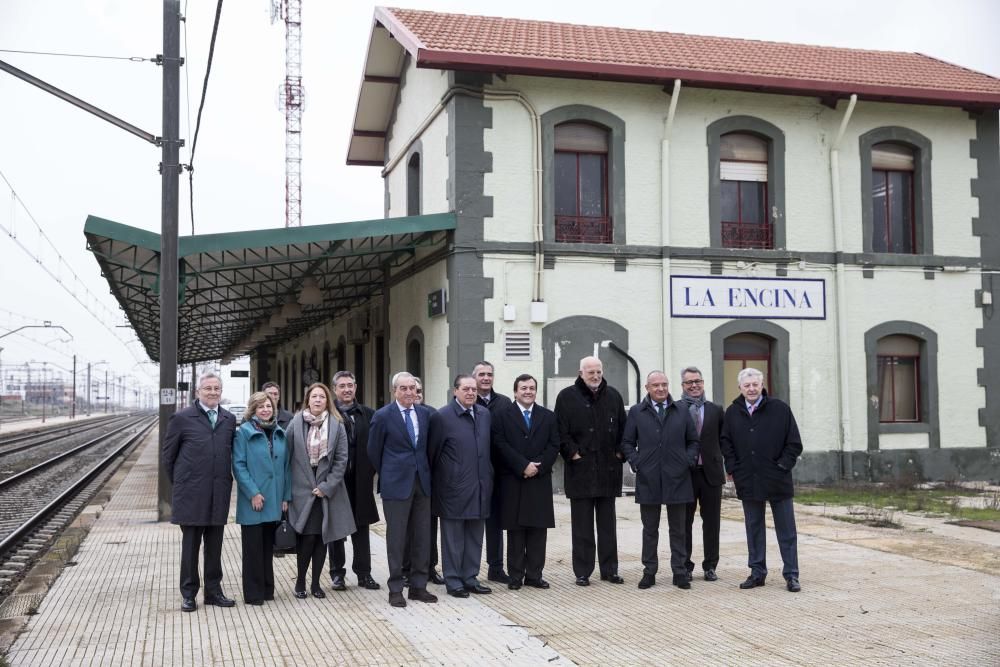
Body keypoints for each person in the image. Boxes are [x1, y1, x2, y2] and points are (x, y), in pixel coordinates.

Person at [720, 367, 804, 593]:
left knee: (786, 531)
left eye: (755, 384)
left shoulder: (780, 409)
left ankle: (791, 575)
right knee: (754, 527)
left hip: (778, 479)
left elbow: (794, 443)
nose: (751, 389)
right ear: (740, 388)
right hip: (748, 479)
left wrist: (783, 466)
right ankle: (757, 572)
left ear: (762, 385)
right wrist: (733, 469)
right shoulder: (732, 412)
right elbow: (726, 443)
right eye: (746, 385)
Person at [161, 371, 238, 612]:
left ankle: (214, 592)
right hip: (191, 495)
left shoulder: (228, 419)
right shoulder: (182, 418)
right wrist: (183, 484)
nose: (213, 392)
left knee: (215, 547)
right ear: (198, 392)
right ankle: (189, 594)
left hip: (218, 493)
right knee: (191, 547)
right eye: (208, 388)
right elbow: (168, 458)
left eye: (216, 388)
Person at [621, 371, 699, 590]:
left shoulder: (681, 409)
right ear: (647, 388)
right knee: (650, 529)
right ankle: (649, 572)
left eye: (664, 384)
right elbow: (627, 442)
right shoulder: (637, 412)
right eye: (656, 385)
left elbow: (693, 440)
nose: (661, 389)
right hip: (649, 478)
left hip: (678, 478)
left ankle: (680, 572)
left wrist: (687, 460)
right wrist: (638, 463)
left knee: (679, 529)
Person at [367, 372, 438, 608]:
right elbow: (374, 452)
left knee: (422, 536)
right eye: (404, 388)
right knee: (397, 539)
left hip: (422, 484)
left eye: (413, 388)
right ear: (394, 391)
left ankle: (418, 586)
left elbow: (429, 447)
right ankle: (396, 588)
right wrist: (391, 473)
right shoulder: (383, 416)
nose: (409, 393)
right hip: (396, 485)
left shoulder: (425, 414)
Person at [555, 356, 627, 586]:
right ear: (580, 373)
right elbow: (560, 432)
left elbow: (624, 431)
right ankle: (583, 571)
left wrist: (619, 454)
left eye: (598, 371)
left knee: (608, 526)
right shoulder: (566, 397)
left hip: (608, 470)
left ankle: (610, 569)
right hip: (581, 471)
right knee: (582, 527)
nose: (595, 376)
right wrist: (573, 453)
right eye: (590, 373)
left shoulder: (613, 395)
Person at [286, 383, 356, 599]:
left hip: (326, 493)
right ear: (308, 399)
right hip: (301, 493)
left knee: (321, 539)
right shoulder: (295, 423)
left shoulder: (337, 425)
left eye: (322, 397)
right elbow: (286, 458)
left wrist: (327, 487)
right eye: (314, 396)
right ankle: (300, 582)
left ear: (328, 401)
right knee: (306, 539)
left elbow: (342, 460)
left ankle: (316, 583)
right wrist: (285, 493)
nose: (318, 400)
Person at [491, 374, 560, 590]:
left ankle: (534, 575)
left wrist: (537, 468)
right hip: (514, 480)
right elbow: (499, 444)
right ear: (515, 392)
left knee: (538, 531)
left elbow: (554, 444)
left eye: (531, 388)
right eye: (523, 388)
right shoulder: (502, 416)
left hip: (539, 481)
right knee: (516, 531)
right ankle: (516, 576)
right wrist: (522, 465)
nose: (528, 391)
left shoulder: (548, 416)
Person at [428, 374, 493, 598]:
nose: (471, 393)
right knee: (453, 538)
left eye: (474, 389)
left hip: (480, 486)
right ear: (455, 391)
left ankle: (470, 577)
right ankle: (453, 580)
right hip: (452, 489)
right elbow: (432, 454)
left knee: (475, 536)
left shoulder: (484, 414)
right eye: (466, 389)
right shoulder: (442, 417)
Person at [232, 391, 291, 605]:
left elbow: (286, 467)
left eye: (268, 406)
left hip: (274, 499)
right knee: (253, 550)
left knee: (268, 547)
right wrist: (253, 493)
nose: (265, 410)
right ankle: (253, 594)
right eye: (260, 407)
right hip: (254, 501)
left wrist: (285, 496)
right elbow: (238, 465)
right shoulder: (244, 433)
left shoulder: (279, 432)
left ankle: (267, 589)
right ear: (253, 410)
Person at [327, 371, 381, 591]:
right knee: (336, 529)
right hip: (337, 482)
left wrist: (372, 471)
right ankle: (337, 574)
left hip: (361, 480)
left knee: (361, 529)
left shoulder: (368, 414)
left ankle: (364, 573)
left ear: (356, 387)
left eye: (350, 385)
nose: (347, 389)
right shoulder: (328, 415)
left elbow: (377, 445)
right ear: (334, 389)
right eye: (342, 386)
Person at [678, 366, 726, 582]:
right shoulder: (676, 409)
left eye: (697, 381)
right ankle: (685, 565)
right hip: (685, 474)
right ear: (683, 386)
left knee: (712, 522)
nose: (694, 385)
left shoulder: (716, 409)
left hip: (711, 474)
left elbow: (724, 440)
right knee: (684, 522)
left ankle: (710, 566)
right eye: (689, 382)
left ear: (703, 383)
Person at [401, 376, 445, 586]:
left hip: (428, 480)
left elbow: (437, 447)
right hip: (405, 481)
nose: (415, 395)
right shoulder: (396, 415)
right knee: (407, 528)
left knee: (428, 527)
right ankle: (406, 568)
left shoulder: (431, 415)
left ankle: (430, 567)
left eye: (418, 391)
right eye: (410, 390)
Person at [473, 361, 513, 584]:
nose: (486, 378)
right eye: (481, 375)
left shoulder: (505, 403)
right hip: (474, 472)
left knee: (496, 523)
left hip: (499, 472)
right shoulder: (467, 400)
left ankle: (496, 567)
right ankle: (468, 567)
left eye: (489, 374)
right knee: (473, 521)